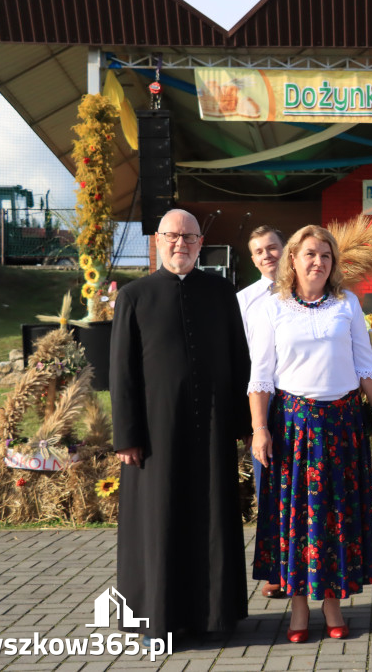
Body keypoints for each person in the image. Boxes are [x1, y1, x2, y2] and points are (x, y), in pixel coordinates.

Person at [110, 209, 251, 641]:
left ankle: (214, 616)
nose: (181, 245)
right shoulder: (134, 296)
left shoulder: (222, 291)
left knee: (212, 517)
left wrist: (243, 423)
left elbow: (239, 359)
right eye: (173, 237)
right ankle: (158, 615)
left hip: (211, 427)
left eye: (190, 238)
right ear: (157, 241)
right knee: (160, 519)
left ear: (199, 243)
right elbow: (122, 372)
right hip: (157, 433)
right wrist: (128, 435)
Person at [247, 225, 372, 643]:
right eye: (310, 254)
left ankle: (332, 602)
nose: (318, 262)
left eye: (326, 256)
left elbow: (365, 364)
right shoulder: (271, 308)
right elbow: (261, 376)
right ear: (292, 259)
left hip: (343, 425)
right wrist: (259, 428)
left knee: (334, 516)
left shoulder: (347, 304)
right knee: (297, 518)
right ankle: (297, 608)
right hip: (293, 426)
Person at [236, 225, 285, 599]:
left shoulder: (309, 292)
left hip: (304, 396)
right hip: (264, 400)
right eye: (258, 251)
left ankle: (313, 563)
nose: (267, 255)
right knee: (267, 484)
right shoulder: (244, 301)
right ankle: (275, 569)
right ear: (252, 259)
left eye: (272, 247)